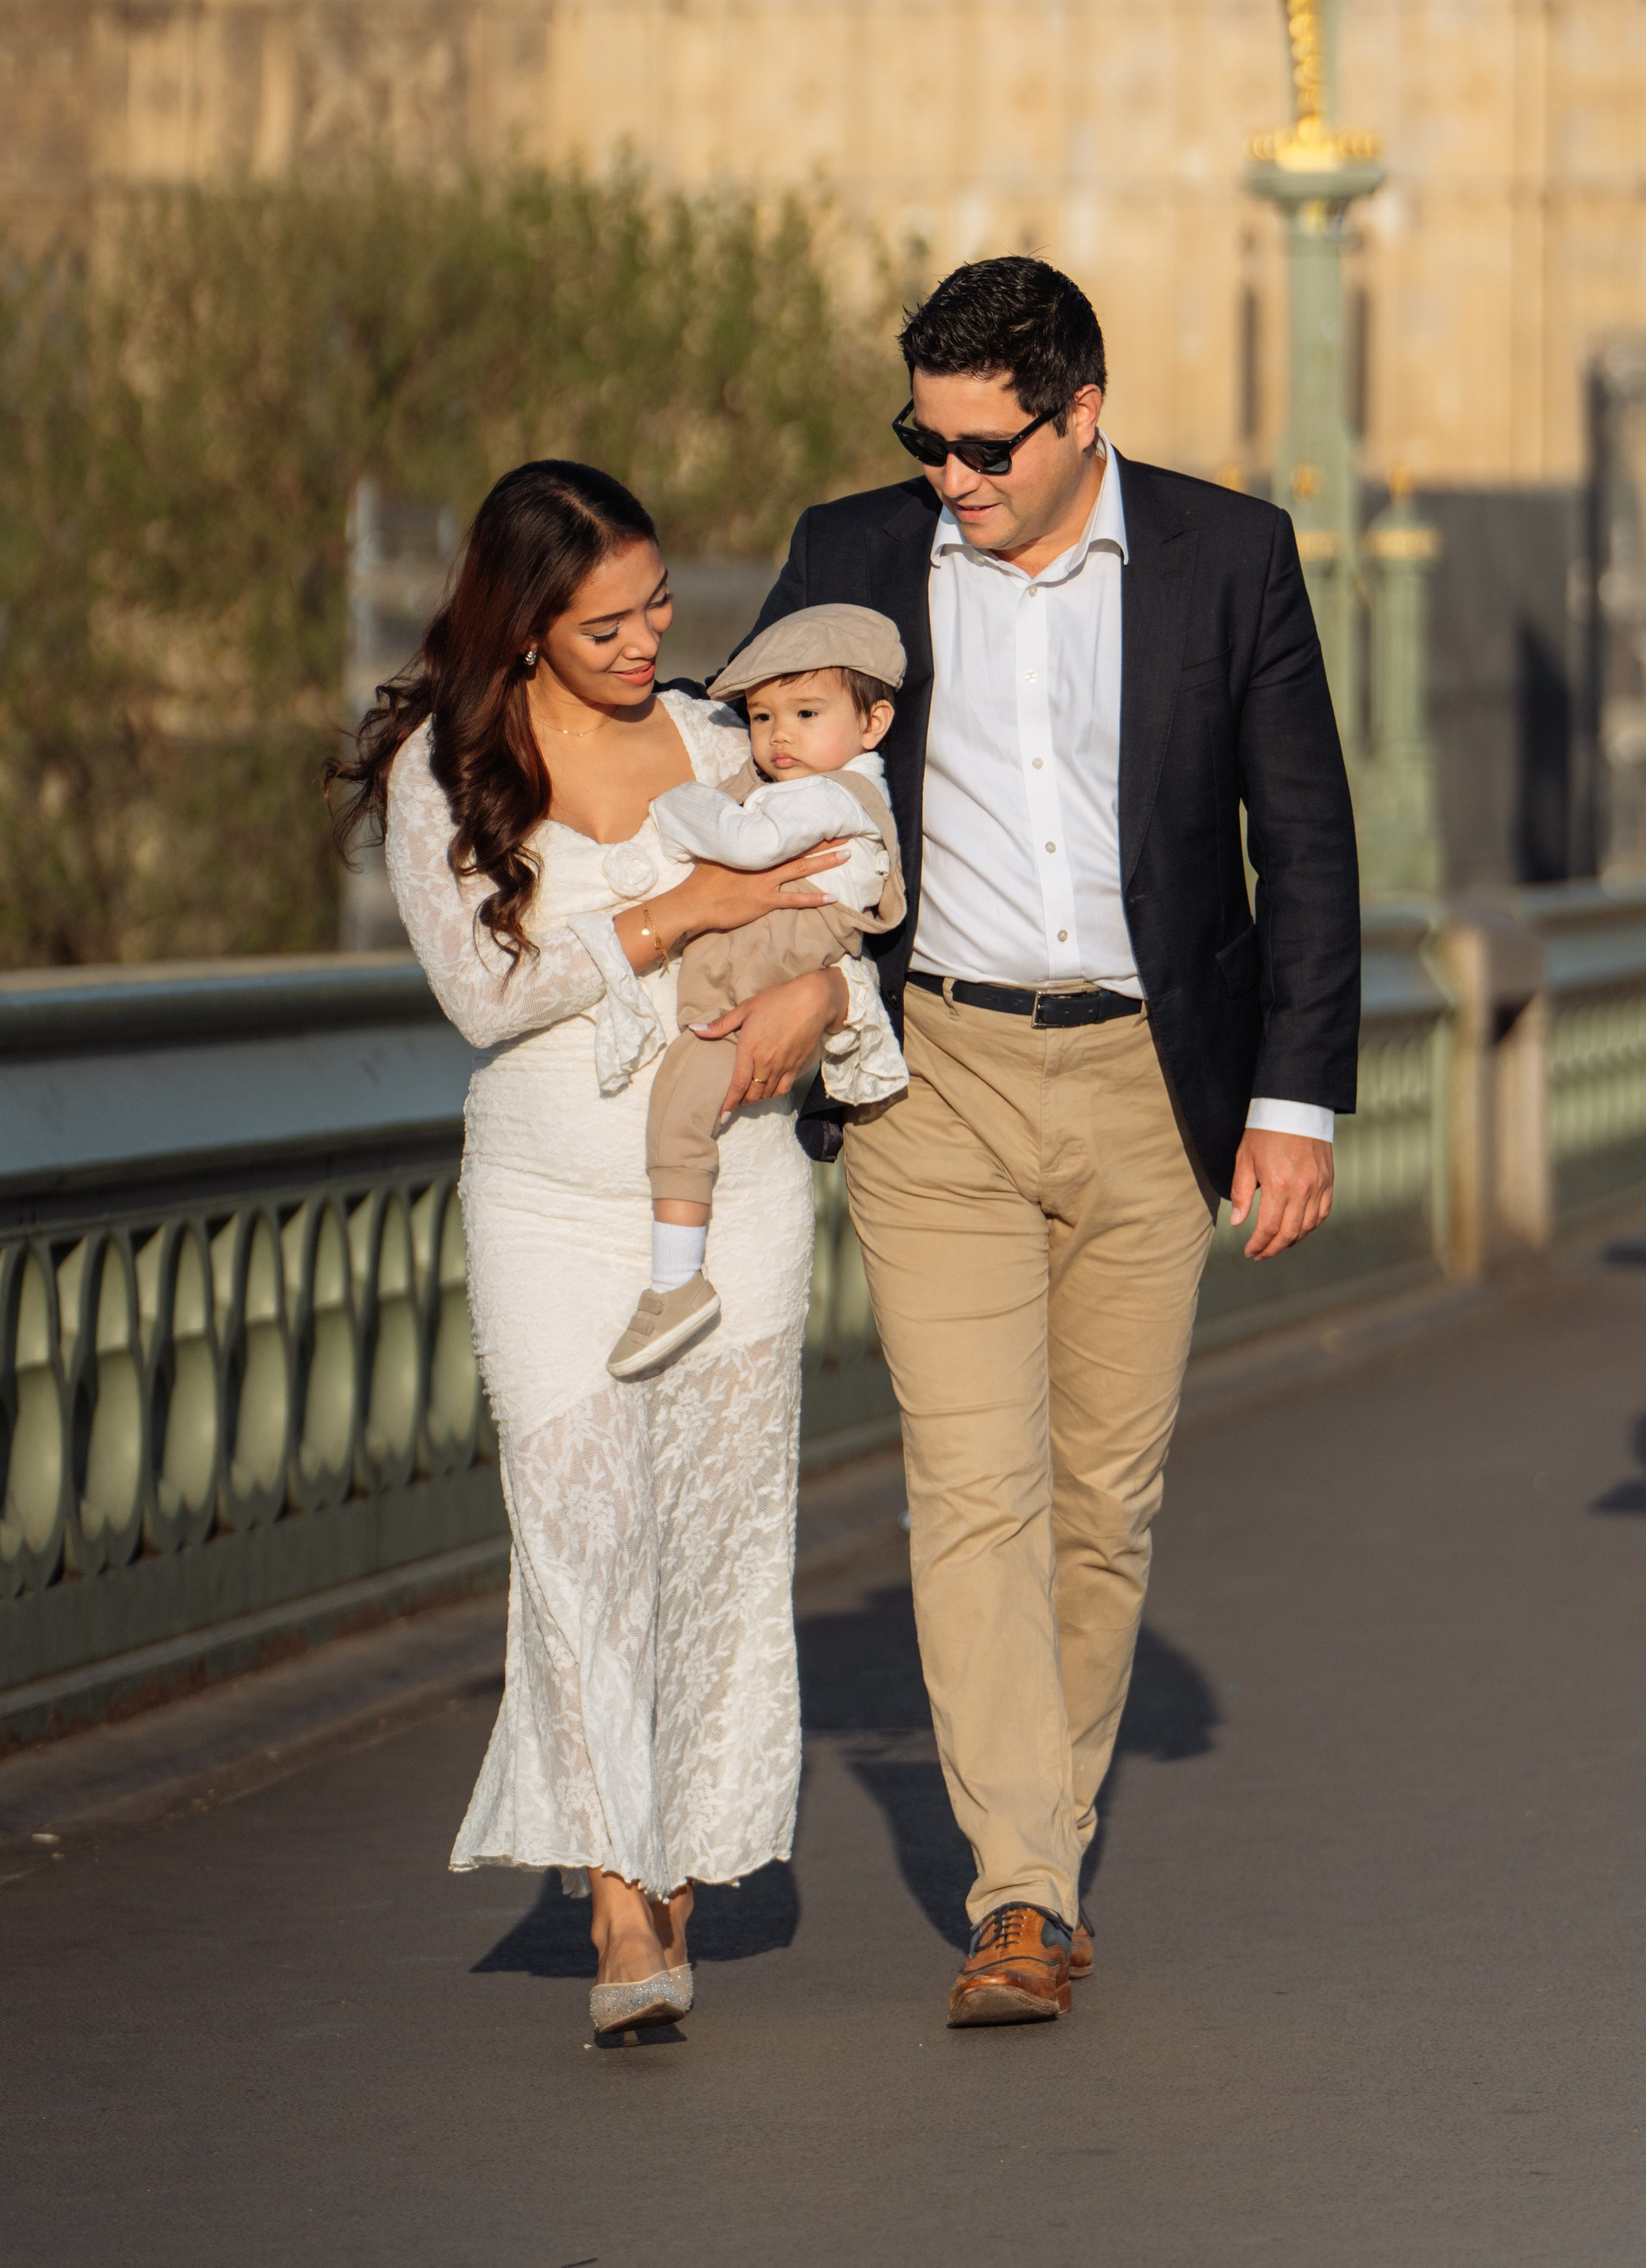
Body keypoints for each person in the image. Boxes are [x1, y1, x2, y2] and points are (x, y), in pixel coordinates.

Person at [741, 255, 1361, 2029]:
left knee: (1101, 1495)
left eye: (983, 444)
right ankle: (1017, 1888)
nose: (950, 476)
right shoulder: (851, 552)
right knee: (974, 1483)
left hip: (1149, 1078)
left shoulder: (1219, 555)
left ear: (1080, 413)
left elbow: (1299, 842)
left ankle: (1044, 1842)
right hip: (931, 1064)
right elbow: (739, 759)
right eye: (923, 440)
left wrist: (1291, 1096)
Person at [328, 460, 901, 2038]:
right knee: (576, 1540)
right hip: (541, 1201)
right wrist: (674, 910)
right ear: (523, 630)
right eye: (606, 624)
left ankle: (686, 1870)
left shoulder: (729, 739)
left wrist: (818, 997)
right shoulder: (444, 777)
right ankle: (615, 1906)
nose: (648, 641)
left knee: (712, 1545)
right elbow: (485, 996)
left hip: (740, 1190)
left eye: (656, 607)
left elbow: (844, 907)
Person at [607, 604, 909, 1383]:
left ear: (873, 722)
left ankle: (676, 1283)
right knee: (685, 1103)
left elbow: (743, 842)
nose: (778, 736)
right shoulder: (795, 785)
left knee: (681, 1112)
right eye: (763, 715)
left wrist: (673, 802)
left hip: (764, 983)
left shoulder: (835, 797)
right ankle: (677, 1278)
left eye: (806, 714)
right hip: (753, 979)